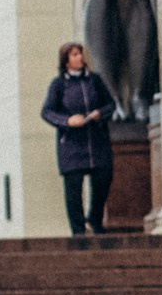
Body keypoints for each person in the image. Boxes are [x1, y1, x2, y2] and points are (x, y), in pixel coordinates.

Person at [40, 43, 116, 235]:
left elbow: (110, 104)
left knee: (103, 178)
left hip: (96, 140)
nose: (79, 58)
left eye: (80, 54)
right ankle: (78, 229)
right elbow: (47, 111)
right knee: (73, 188)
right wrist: (67, 121)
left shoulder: (94, 80)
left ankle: (95, 219)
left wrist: (100, 113)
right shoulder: (58, 85)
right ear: (66, 60)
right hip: (72, 144)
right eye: (74, 55)